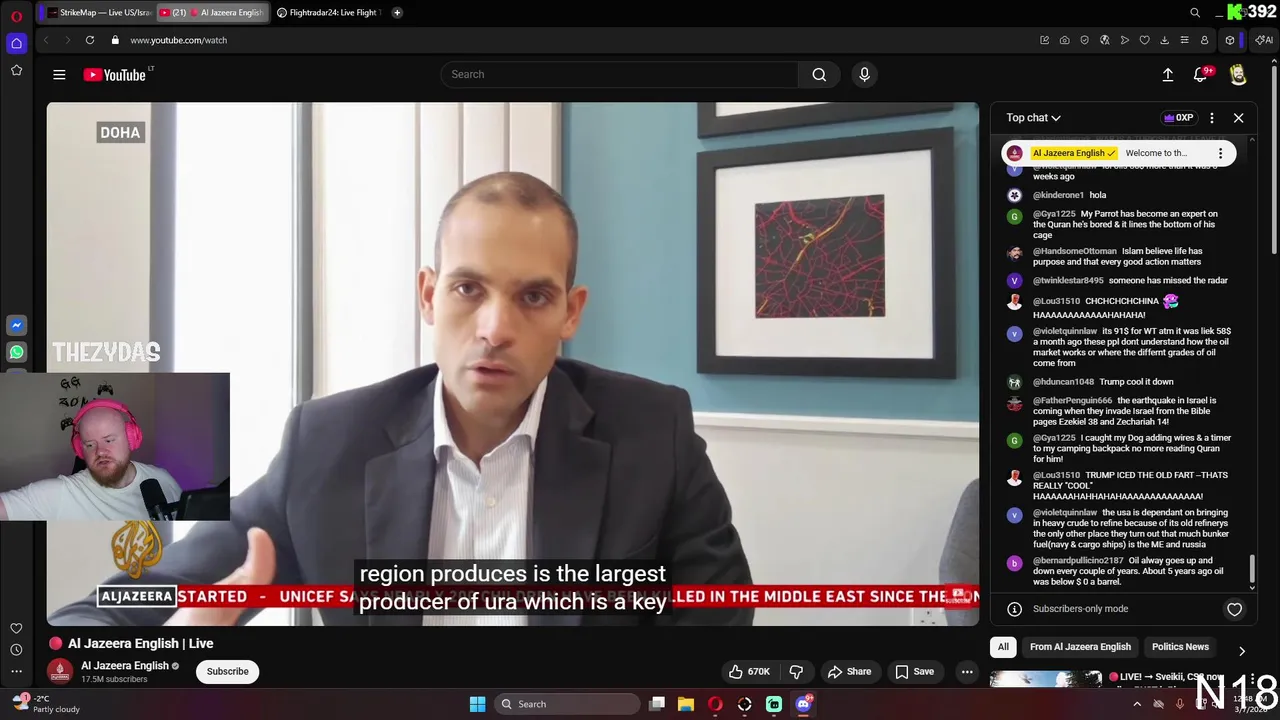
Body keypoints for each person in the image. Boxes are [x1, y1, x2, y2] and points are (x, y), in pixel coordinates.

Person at [50, 171, 753, 627]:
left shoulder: (652, 434)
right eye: (468, 288)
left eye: (534, 297)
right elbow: (102, 621)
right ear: (428, 295)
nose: (495, 329)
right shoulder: (328, 444)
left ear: (571, 312)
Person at [0, 400, 181, 521]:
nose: (100, 451)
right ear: (80, 450)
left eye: (109, 440)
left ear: (131, 438)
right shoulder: (61, 494)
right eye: (89, 445)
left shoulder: (163, 480)